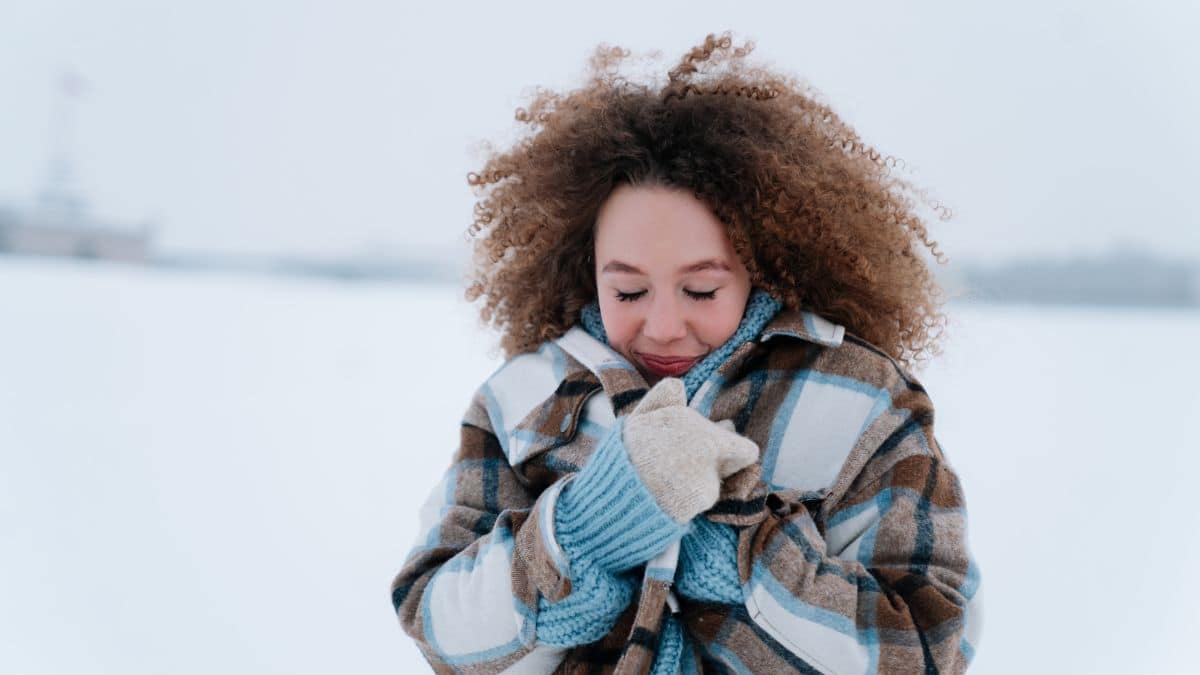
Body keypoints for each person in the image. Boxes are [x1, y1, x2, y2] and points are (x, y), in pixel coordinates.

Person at [390, 32, 982, 674]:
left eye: (701, 288)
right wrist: (585, 533)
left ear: (762, 266)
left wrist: (739, 550)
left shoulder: (862, 402)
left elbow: (927, 652)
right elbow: (438, 628)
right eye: (629, 289)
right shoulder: (519, 399)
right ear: (584, 269)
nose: (665, 325)